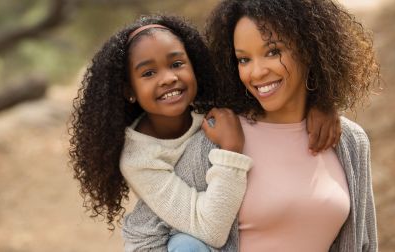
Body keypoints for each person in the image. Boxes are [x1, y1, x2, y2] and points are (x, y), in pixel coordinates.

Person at [68, 14, 341, 252]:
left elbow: (273, 96)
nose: (168, 78)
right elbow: (209, 229)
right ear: (129, 91)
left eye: (176, 64)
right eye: (149, 73)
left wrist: (320, 104)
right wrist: (230, 150)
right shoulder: (138, 158)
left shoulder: (215, 106)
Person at [204, 0, 380, 251]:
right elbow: (150, 233)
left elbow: (365, 244)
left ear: (309, 48)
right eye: (243, 59)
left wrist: (322, 99)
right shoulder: (218, 135)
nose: (256, 72)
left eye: (273, 52)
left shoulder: (349, 141)